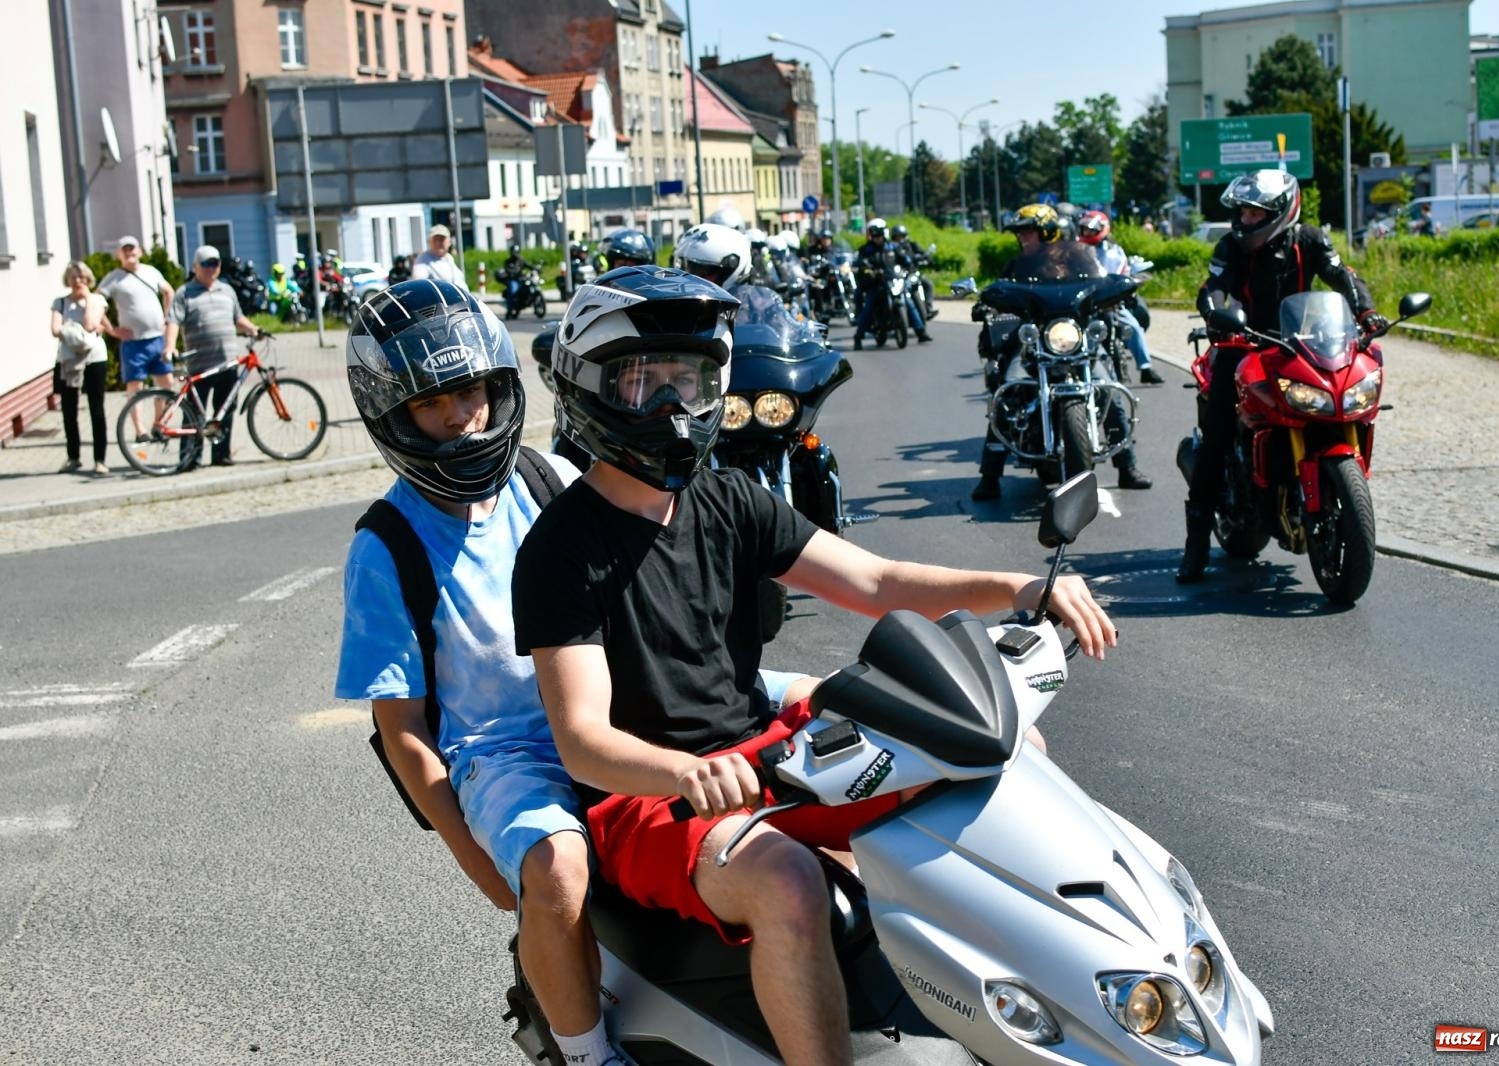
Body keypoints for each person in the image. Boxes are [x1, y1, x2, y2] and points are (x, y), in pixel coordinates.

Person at [511, 267, 1117, 1066]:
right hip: (648, 800)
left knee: (1001, 755)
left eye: (687, 381)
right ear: (590, 387)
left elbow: (873, 581)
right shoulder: (561, 548)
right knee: (788, 882)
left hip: (764, 752)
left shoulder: (728, 499)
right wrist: (683, 773)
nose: (670, 405)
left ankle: (1084, 1005)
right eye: (641, 381)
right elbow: (586, 739)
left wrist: (1018, 583)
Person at [336, 279, 802, 1066]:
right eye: (433, 404)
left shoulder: (545, 477)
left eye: (474, 391)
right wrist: (476, 857)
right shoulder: (386, 545)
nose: (461, 416)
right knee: (557, 869)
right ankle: (585, 1053)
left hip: (621, 698)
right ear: (391, 415)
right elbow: (404, 732)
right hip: (510, 749)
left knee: (833, 713)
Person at [1178, 169, 1385, 584]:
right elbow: (1214, 288)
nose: (1246, 221)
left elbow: (1342, 275)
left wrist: (1365, 311)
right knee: (1218, 432)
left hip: (1306, 342)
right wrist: (1218, 318)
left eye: (1256, 214)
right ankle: (1196, 544)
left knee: (1346, 400)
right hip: (1244, 343)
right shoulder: (1231, 246)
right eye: (1243, 213)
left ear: (1280, 211)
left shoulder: (1309, 240)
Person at [971, 205, 1151, 501]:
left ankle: (1127, 466)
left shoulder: (1077, 257)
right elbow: (1000, 289)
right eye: (1020, 233)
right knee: (1009, 387)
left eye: (1028, 231)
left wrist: (1120, 289)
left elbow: (1100, 280)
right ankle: (989, 477)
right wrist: (987, 300)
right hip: (1033, 342)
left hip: (1074, 338)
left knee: (1109, 389)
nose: (1023, 238)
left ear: (1047, 232)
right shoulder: (1017, 266)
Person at [164, 244, 262, 467]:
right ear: (195, 266)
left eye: (215, 263)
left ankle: (221, 454)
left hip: (227, 362)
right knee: (194, 415)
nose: (211, 268)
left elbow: (239, 318)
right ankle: (189, 458)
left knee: (224, 409)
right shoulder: (185, 293)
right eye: (206, 264)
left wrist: (254, 329)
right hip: (199, 364)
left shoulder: (226, 290)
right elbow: (173, 321)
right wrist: (169, 346)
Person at [1076, 210, 1164, 385]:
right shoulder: (1075, 250)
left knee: (1134, 328)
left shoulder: (1113, 252)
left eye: (1092, 229)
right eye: (1085, 229)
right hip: (1084, 303)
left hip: (1111, 303)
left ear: (1103, 229)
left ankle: (1146, 368)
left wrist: (1127, 289)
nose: (1088, 233)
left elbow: (1121, 274)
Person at [50, 261, 111, 476]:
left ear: (88, 280)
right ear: (67, 279)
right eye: (73, 277)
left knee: (97, 408)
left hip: (94, 358)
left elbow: (90, 325)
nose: (77, 281)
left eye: (82, 277)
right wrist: (70, 333)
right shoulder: (60, 302)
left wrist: (86, 300)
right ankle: (73, 456)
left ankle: (100, 459)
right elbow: (55, 329)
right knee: (69, 410)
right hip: (67, 361)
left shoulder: (97, 300)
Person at [97, 235, 175, 398]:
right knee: (135, 387)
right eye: (124, 250)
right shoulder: (114, 277)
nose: (129, 253)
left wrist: (166, 319)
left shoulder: (151, 272)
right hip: (133, 342)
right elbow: (96, 302)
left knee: (166, 383)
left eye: (132, 248)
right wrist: (111, 330)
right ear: (118, 255)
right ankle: (138, 425)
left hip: (157, 338)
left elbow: (168, 292)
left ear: (139, 251)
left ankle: (158, 421)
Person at [852, 217, 930, 349]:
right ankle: (858, 337)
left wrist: (910, 266)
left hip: (894, 281)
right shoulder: (866, 250)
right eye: (875, 235)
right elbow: (861, 262)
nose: (877, 238)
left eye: (880, 235)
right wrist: (867, 269)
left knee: (908, 302)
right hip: (876, 284)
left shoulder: (893, 247)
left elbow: (905, 259)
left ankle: (920, 331)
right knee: (869, 306)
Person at [888, 222, 937, 320]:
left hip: (912, 273)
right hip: (899, 276)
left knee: (927, 284)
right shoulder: (891, 248)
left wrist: (927, 258)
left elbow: (923, 254)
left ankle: (928, 307)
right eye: (897, 237)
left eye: (901, 236)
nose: (899, 239)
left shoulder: (912, 245)